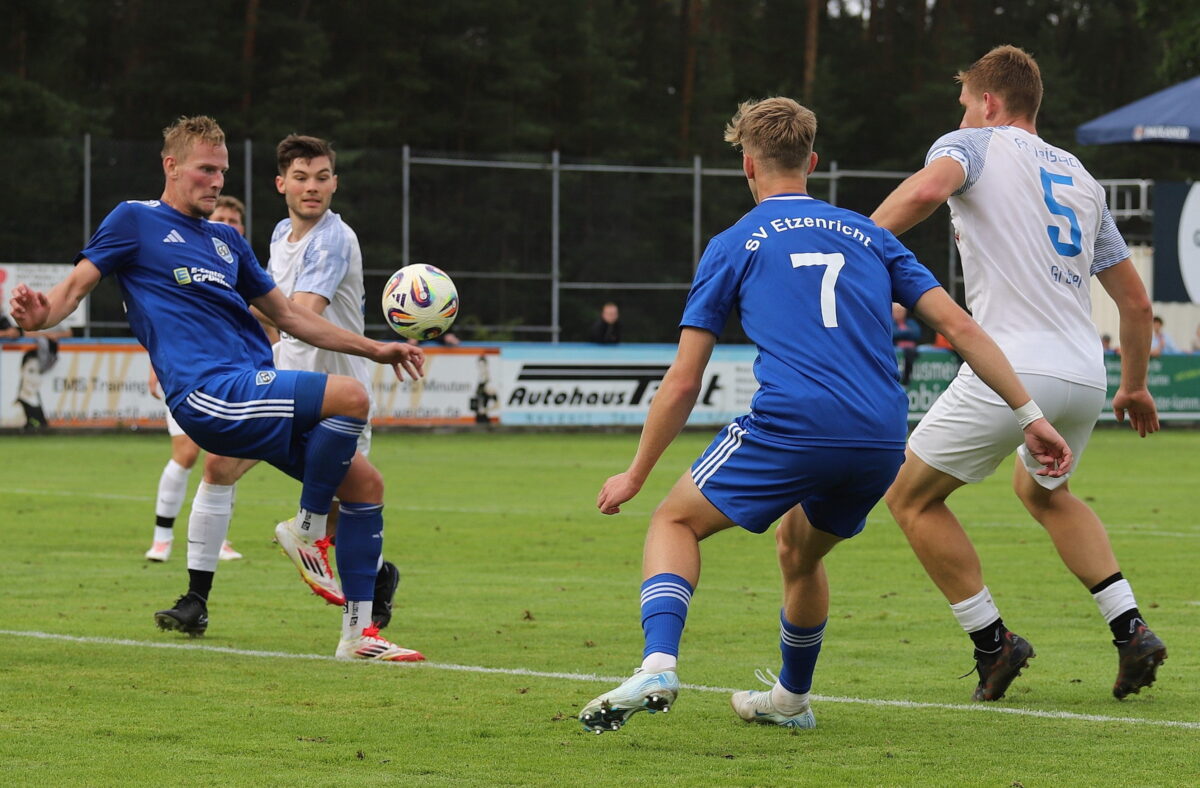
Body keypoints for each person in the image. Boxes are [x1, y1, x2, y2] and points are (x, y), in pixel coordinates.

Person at [579, 97, 1072, 734]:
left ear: (749, 169)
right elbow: (960, 328)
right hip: (878, 439)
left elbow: (682, 382)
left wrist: (636, 473)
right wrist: (1029, 413)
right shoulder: (871, 236)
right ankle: (791, 701)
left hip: (793, 423)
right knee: (800, 552)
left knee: (674, 520)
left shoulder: (735, 243)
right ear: (811, 162)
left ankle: (657, 662)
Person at [8, 116, 424, 661]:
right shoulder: (134, 220)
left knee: (366, 485)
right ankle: (304, 529)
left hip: (251, 384)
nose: (215, 181)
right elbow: (72, 289)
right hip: (208, 391)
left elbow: (293, 319)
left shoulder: (229, 241)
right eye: (205, 169)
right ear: (171, 165)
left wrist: (377, 348)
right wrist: (40, 318)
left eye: (222, 171)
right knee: (351, 398)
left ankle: (358, 637)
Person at [871, 45, 1166, 702]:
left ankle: (992, 642)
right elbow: (1135, 303)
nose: (963, 116)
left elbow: (925, 189)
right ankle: (1131, 630)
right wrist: (1135, 385)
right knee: (1043, 494)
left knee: (910, 497)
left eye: (966, 105)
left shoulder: (971, 146)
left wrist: (849, 245)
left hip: (1011, 365)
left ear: (990, 103)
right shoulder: (1083, 179)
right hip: (1084, 371)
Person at [143, 194, 249, 563]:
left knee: (226, 456)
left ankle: (217, 540)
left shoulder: (242, 268)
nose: (228, 225)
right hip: (187, 375)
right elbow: (164, 316)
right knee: (186, 453)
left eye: (235, 221)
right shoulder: (185, 256)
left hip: (233, 375)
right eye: (222, 218)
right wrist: (155, 363)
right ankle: (162, 537)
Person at [892, 303, 921, 385]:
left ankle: (907, 379)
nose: (899, 313)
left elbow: (917, 334)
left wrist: (900, 333)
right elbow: (893, 334)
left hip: (911, 351)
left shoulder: (911, 322)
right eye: (897, 311)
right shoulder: (889, 323)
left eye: (901, 311)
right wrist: (908, 332)